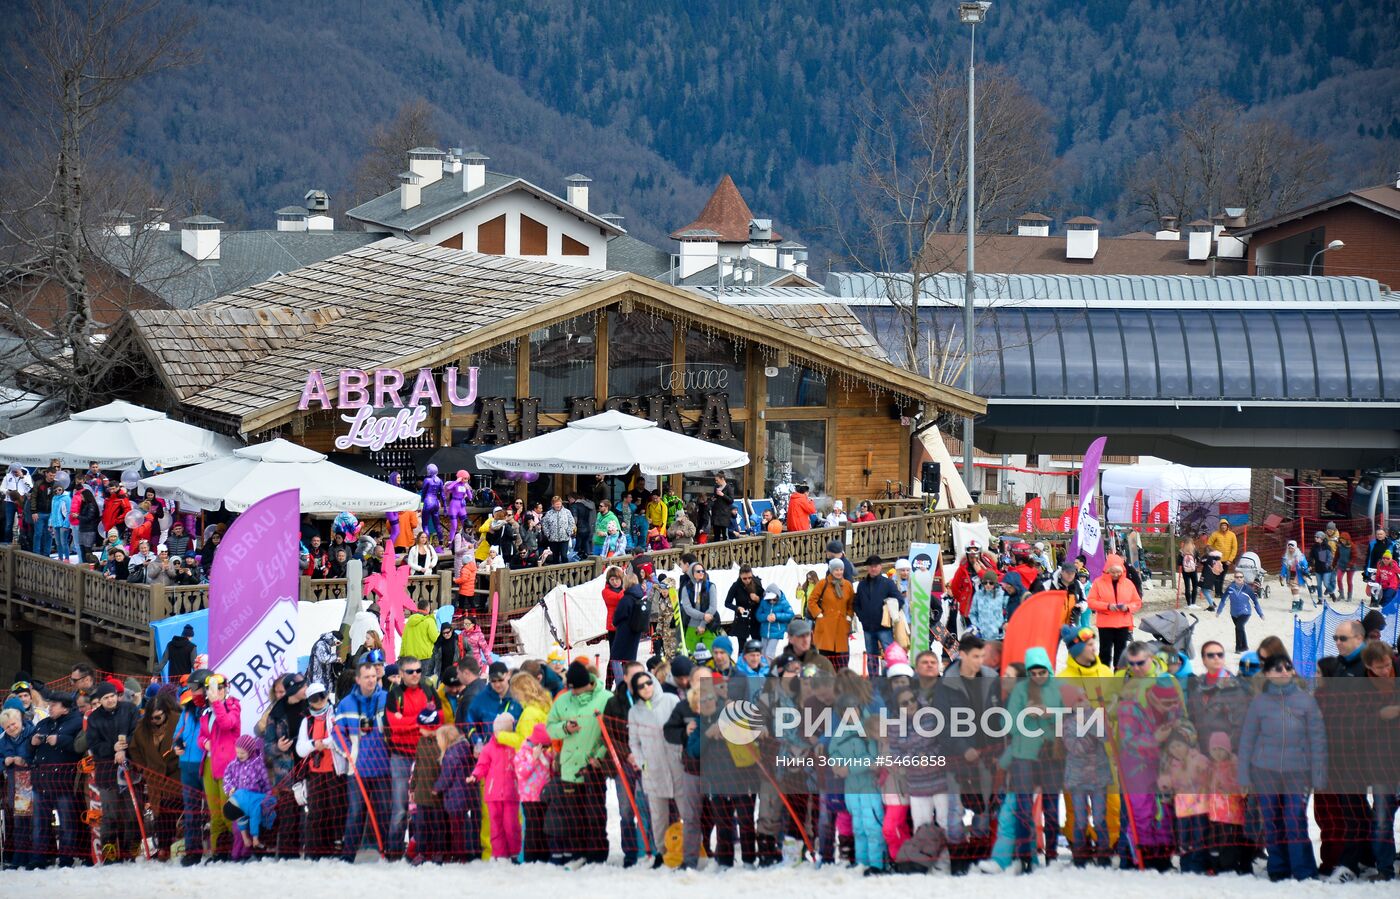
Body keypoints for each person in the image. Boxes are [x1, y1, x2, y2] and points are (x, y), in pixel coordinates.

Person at [1237, 652, 1326, 881]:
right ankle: (1278, 868)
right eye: (1277, 668)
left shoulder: (1306, 700)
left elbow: (1317, 738)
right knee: (1271, 819)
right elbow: (1247, 739)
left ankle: (1304, 870)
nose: (1284, 671)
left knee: (1294, 819)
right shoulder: (1259, 702)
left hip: (1297, 772)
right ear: (1267, 673)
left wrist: (1317, 773)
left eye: (1287, 667)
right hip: (1265, 771)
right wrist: (1244, 776)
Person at [545, 660, 612, 866]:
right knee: (572, 815)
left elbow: (610, 734)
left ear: (588, 683)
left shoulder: (605, 698)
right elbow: (550, 727)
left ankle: (597, 855)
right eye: (571, 689)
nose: (574, 693)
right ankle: (577, 853)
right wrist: (565, 728)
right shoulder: (563, 700)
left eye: (577, 689)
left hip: (593, 767)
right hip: (569, 765)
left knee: (595, 813)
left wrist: (599, 756)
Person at [335, 660, 393, 862]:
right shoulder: (345, 704)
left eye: (373, 677)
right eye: (366, 677)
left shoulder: (386, 698)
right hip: (357, 769)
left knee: (385, 812)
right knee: (355, 813)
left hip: (383, 768)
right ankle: (348, 855)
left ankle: (388, 853)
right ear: (358, 679)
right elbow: (337, 732)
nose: (370, 681)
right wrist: (347, 751)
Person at [84, 681, 139, 859]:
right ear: (100, 700)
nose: (110, 700)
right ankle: (109, 850)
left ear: (118, 695)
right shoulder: (94, 718)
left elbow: (137, 732)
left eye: (113, 696)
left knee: (132, 812)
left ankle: (130, 848)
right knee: (110, 814)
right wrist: (112, 748)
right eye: (106, 698)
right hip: (106, 771)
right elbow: (94, 745)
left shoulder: (130, 709)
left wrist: (125, 748)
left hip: (130, 768)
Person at [29, 690, 83, 864]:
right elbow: (30, 752)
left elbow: (79, 747)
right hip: (40, 781)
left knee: (67, 823)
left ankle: (66, 859)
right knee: (39, 824)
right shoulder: (43, 723)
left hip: (64, 782)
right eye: (49, 704)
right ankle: (39, 859)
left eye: (54, 705)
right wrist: (32, 743)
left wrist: (60, 740)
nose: (49, 707)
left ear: (65, 709)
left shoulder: (77, 722)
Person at [1087, 554, 1141, 669]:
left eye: (1118, 572)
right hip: (1105, 623)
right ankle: (1104, 677)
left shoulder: (1128, 583)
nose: (1116, 574)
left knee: (1121, 654)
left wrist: (1128, 607)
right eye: (1113, 572)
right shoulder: (1098, 583)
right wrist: (1107, 606)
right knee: (1105, 653)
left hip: (1123, 623)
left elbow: (1137, 602)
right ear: (1107, 570)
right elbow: (1091, 602)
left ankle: (1119, 679)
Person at [223, 734, 273, 855]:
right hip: (239, 804)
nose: (239, 755)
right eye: (238, 752)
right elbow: (227, 779)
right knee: (238, 829)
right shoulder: (233, 765)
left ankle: (247, 853)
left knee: (253, 826)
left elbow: (266, 783)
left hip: (253, 803)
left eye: (242, 753)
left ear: (250, 751)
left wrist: (266, 799)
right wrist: (230, 789)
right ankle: (236, 854)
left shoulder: (258, 765)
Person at [854, 555, 902, 676]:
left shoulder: (888, 583)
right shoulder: (862, 585)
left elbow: (899, 600)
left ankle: (892, 677)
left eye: (876, 566)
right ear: (867, 568)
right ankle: (874, 682)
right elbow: (856, 603)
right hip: (868, 628)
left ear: (880, 567)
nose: (873, 569)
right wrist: (862, 617)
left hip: (884, 627)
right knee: (871, 656)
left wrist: (890, 614)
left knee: (890, 654)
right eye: (871, 566)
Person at [808, 557, 855, 670]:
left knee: (842, 658)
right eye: (836, 570)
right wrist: (818, 614)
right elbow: (811, 601)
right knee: (826, 657)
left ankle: (841, 681)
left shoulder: (848, 585)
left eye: (841, 569)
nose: (839, 572)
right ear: (831, 570)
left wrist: (849, 616)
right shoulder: (822, 584)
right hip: (826, 626)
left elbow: (851, 603)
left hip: (841, 626)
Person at [1216, 569, 1265, 653]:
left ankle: (1238, 648)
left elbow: (1255, 602)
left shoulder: (1248, 589)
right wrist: (1219, 611)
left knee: (1238, 627)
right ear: (1234, 578)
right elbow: (1223, 600)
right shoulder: (1230, 588)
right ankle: (1245, 646)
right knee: (1240, 628)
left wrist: (1260, 614)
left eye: (1241, 577)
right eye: (1237, 577)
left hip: (1245, 612)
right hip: (1234, 613)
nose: (1239, 578)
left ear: (1243, 578)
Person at [678, 561, 720, 652]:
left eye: (702, 571)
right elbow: (688, 608)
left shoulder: (711, 586)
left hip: (708, 626)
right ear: (692, 573)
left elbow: (713, 607)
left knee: (711, 656)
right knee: (692, 657)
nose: (701, 573)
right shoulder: (686, 588)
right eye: (698, 571)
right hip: (691, 626)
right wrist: (703, 616)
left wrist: (703, 624)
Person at [725, 564, 763, 647]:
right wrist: (737, 608)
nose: (747, 580)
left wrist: (757, 599)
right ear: (740, 576)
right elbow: (727, 603)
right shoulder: (736, 586)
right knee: (742, 647)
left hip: (755, 618)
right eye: (744, 578)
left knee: (758, 645)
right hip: (742, 619)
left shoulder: (757, 582)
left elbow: (764, 599)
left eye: (750, 577)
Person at [756, 583, 794, 660]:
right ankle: (764, 670)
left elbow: (790, 615)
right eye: (769, 599)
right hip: (764, 631)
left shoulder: (784, 602)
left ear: (777, 595)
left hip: (777, 632)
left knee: (769, 654)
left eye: (774, 599)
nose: (772, 601)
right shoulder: (763, 602)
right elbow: (758, 615)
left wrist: (776, 616)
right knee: (763, 654)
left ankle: (772, 670)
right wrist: (766, 617)